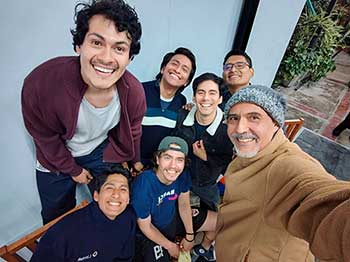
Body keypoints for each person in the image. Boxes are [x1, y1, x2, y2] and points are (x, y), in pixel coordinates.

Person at [21, 0, 146, 224]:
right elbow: (46, 140)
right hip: (54, 158)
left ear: (129, 57)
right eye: (97, 42)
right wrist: (74, 170)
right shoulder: (41, 84)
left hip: (99, 149)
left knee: (119, 204)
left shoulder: (134, 92)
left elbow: (134, 131)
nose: (107, 58)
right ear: (79, 45)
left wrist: (134, 160)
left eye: (119, 48)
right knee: (56, 218)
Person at [215, 84, 350, 262]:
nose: (240, 128)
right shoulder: (250, 153)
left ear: (276, 124)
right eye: (233, 118)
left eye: (254, 117)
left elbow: (323, 202)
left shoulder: (286, 165)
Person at [132, 136, 217, 262]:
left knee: (221, 222)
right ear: (157, 159)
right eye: (167, 157)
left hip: (172, 219)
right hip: (151, 232)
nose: (173, 166)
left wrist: (190, 236)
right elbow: (145, 226)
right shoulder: (144, 183)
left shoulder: (182, 174)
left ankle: (202, 249)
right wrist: (170, 246)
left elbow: (183, 204)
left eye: (179, 160)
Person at [31, 167, 136, 262]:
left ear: (128, 199)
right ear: (96, 196)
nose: (116, 194)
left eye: (123, 189)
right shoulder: (62, 235)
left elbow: (124, 258)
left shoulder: (129, 217)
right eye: (109, 188)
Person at [173, 73, 233, 211]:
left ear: (220, 99)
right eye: (201, 92)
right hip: (178, 178)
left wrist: (207, 157)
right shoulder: (182, 116)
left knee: (216, 220)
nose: (206, 98)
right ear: (194, 97)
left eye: (212, 93)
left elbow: (230, 166)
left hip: (205, 185)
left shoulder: (227, 129)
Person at [140, 47, 196, 168]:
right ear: (163, 69)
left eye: (184, 69)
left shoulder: (181, 101)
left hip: (157, 168)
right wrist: (134, 161)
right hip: (130, 163)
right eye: (174, 64)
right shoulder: (140, 91)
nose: (177, 70)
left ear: (186, 81)